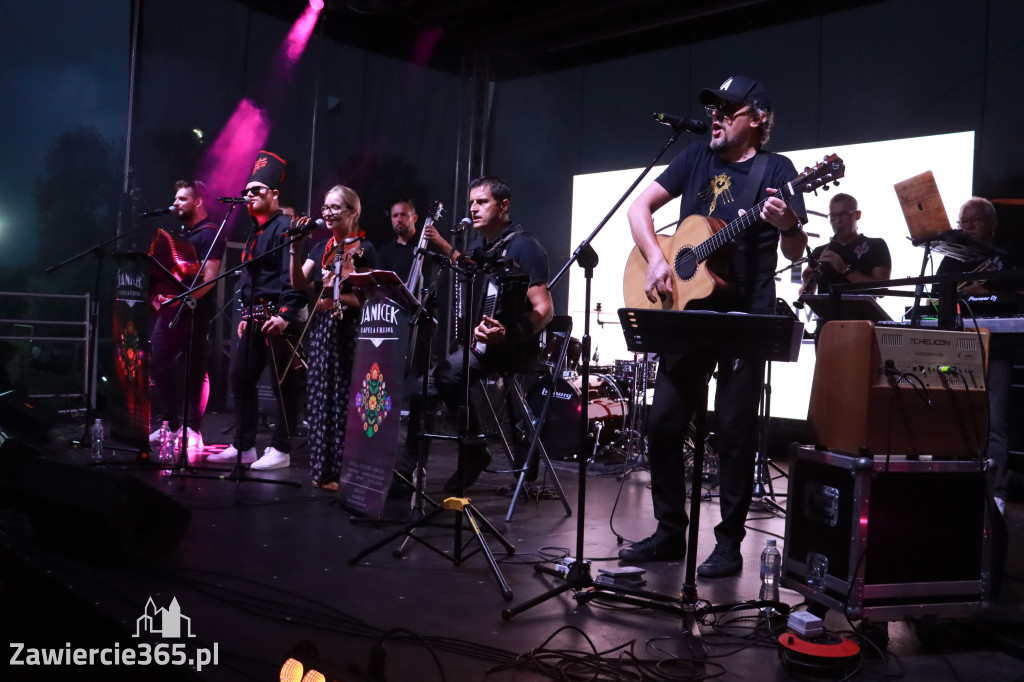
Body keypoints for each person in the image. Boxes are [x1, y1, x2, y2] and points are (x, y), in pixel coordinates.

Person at [620, 76, 808, 577]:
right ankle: (669, 532)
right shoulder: (694, 157)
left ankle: (728, 543)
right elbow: (639, 208)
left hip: (745, 313)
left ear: (758, 118)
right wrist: (656, 258)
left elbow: (795, 250)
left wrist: (788, 224)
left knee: (733, 431)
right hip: (688, 312)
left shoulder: (778, 170)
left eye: (729, 109)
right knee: (663, 422)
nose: (716, 117)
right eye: (713, 109)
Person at [421, 176, 554, 494]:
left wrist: (508, 333)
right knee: (424, 385)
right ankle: (411, 469)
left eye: (482, 202)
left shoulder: (524, 246)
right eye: (471, 203)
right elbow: (466, 269)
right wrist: (441, 244)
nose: (473, 208)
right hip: (483, 346)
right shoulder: (480, 248)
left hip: (514, 348)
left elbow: (545, 309)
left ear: (503, 206)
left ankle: (474, 449)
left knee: (446, 374)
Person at [208, 150, 307, 470]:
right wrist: (245, 314)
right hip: (254, 318)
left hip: (278, 318)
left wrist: (285, 315)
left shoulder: (285, 227)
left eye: (256, 190)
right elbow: (250, 280)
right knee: (240, 378)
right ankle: (245, 445)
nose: (249, 195)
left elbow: (292, 279)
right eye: (246, 191)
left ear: (274, 194)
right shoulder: (255, 232)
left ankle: (281, 448)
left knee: (283, 385)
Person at [289, 185, 377, 491]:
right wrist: (295, 248)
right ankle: (322, 469)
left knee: (343, 398)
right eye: (325, 207)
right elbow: (298, 282)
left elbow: (370, 299)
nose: (327, 213)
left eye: (335, 207)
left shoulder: (365, 248)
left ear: (353, 212)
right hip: (322, 330)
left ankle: (343, 472)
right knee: (319, 398)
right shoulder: (320, 249)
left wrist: (337, 295)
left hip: (349, 331)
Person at [936, 197, 1017, 515]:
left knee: (994, 421)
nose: (967, 226)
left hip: (997, 346)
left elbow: (1017, 297)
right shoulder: (952, 259)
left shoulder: (1009, 255)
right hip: (957, 345)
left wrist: (988, 294)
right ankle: (954, 485)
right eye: (962, 221)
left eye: (974, 220)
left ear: (992, 224)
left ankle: (996, 493)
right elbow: (935, 300)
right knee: (953, 417)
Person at [148, 179, 225, 452]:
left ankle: (192, 429)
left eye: (182, 198)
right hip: (170, 308)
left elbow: (210, 278)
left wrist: (184, 299)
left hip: (195, 310)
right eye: (176, 198)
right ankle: (170, 423)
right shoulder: (182, 235)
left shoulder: (210, 234)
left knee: (195, 369)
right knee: (158, 363)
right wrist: (158, 293)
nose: (175, 203)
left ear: (198, 201)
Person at [799, 193, 891, 340]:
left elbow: (881, 290)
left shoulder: (876, 245)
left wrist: (845, 269)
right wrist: (807, 281)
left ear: (857, 215)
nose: (837, 221)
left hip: (862, 330)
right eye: (833, 216)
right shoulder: (820, 251)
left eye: (843, 215)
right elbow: (807, 293)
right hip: (826, 329)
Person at [376, 200, 420, 282]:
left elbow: (448, 258)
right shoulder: (385, 252)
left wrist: (439, 240)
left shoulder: (426, 243)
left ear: (415, 218)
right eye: (395, 216)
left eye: (403, 215)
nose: (399, 219)